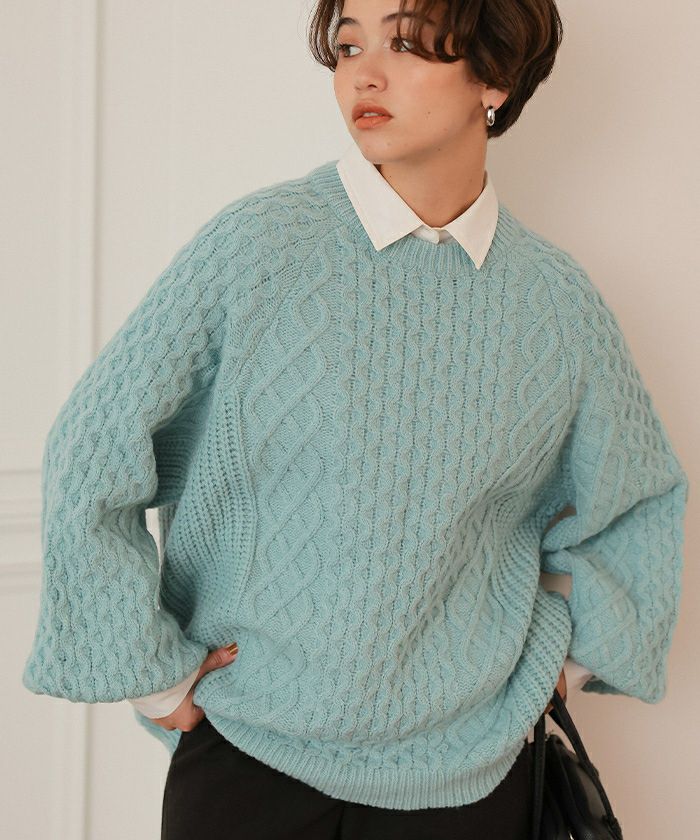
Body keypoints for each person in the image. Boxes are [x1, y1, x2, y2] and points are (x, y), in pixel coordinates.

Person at [21, 1, 689, 839]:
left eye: (405, 44)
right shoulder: (258, 248)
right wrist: (156, 680)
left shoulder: (555, 304)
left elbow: (636, 502)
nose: (364, 75)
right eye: (347, 46)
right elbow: (92, 452)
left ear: (493, 77)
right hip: (247, 761)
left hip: (472, 780)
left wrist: (563, 667)